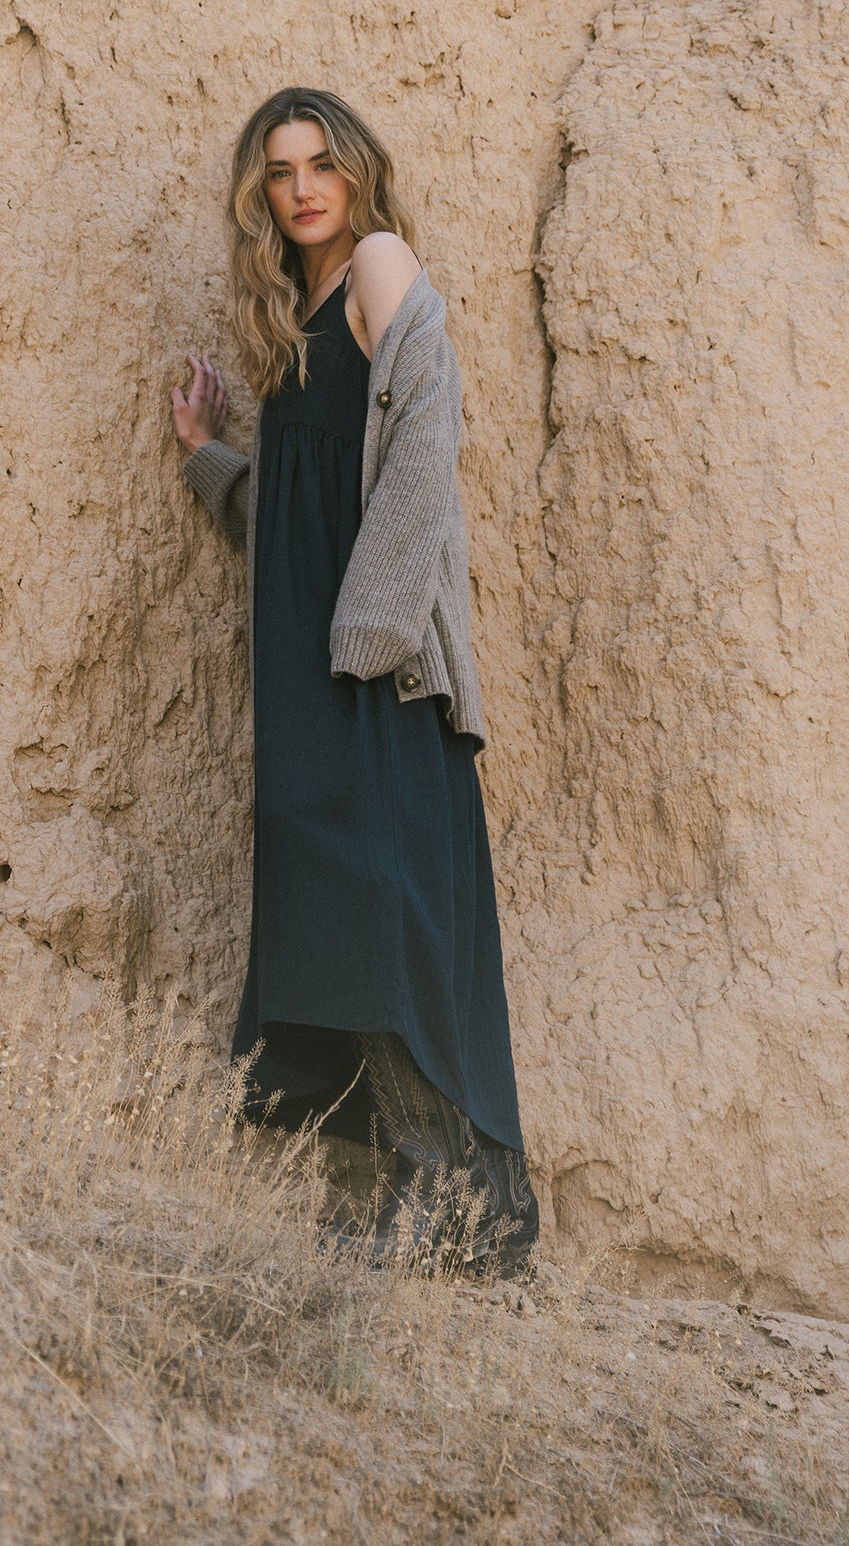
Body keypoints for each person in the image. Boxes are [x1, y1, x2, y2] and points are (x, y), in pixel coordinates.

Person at [171, 87, 539, 1276]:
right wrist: (207, 460)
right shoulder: (292, 314)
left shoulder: (379, 261)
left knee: (386, 909)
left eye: (320, 161)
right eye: (279, 172)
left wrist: (375, 628)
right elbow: (301, 504)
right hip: (308, 650)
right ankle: (430, 1202)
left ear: (355, 170)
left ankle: (460, 1208)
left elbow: (429, 433)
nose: (302, 187)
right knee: (332, 896)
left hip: (372, 659)